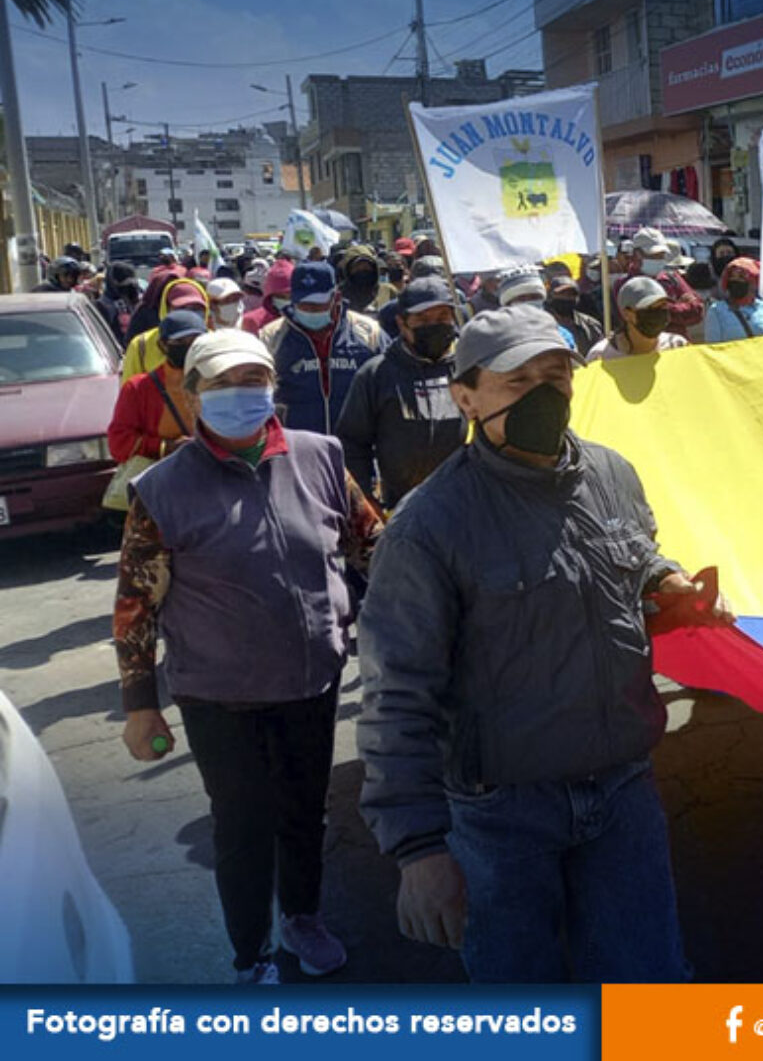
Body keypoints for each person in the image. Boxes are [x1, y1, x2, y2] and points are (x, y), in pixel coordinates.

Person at [356, 304, 730, 983]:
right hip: (500, 816)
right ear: (465, 397)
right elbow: (394, 696)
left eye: (554, 375)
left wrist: (664, 583)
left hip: (622, 794)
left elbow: (628, 561)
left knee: (648, 985)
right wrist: (418, 850)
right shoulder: (428, 527)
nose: (542, 393)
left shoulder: (612, 474)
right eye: (516, 381)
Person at [116, 327, 382, 984]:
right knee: (241, 829)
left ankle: (303, 918)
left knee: (303, 813)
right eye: (224, 383)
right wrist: (140, 707)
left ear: (272, 386)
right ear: (194, 393)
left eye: (253, 380)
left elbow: (374, 546)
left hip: (311, 684)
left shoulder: (321, 457)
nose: (241, 394)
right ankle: (251, 955)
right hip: (220, 697)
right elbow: (134, 608)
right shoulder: (161, 490)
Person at [335, 276, 468, 512]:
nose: (434, 325)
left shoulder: (470, 369)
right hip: (400, 508)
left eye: (442, 317)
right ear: (401, 323)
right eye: (423, 320)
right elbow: (353, 443)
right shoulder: (376, 374)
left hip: (466, 503)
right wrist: (366, 498)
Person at [259, 261, 387, 437]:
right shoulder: (270, 337)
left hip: (356, 450)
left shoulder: (368, 332)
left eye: (319, 304)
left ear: (336, 297)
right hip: (298, 450)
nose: (311, 310)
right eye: (303, 304)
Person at [108, 310, 203, 466]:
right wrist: (164, 447)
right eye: (180, 342)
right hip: (160, 480)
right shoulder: (138, 388)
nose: (189, 348)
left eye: (195, 342)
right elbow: (118, 443)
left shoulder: (216, 381)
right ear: (163, 345)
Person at [123, 279, 211, 384]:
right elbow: (129, 391)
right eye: (181, 308)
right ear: (166, 309)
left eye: (196, 308)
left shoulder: (214, 342)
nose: (189, 313)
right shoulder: (141, 345)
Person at [591, 276, 690, 360]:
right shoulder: (601, 357)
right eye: (650, 308)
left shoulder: (677, 346)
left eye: (663, 306)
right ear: (627, 314)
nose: (657, 314)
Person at [702, 258, 763, 343]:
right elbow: (713, 348)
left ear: (753, 282)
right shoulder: (716, 311)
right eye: (732, 277)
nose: (736, 281)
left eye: (741, 277)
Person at [545, 275, 606, 354]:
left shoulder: (590, 324)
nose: (566, 298)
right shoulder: (542, 324)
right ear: (550, 296)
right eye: (562, 293)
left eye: (571, 294)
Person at [98, 261, 143, 345]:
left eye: (130, 284)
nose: (127, 289)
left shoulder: (136, 301)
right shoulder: (102, 305)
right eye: (123, 284)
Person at [243, 262, 292, 335]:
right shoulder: (251, 321)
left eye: (290, 296)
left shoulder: (302, 322)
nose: (285, 301)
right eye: (279, 296)